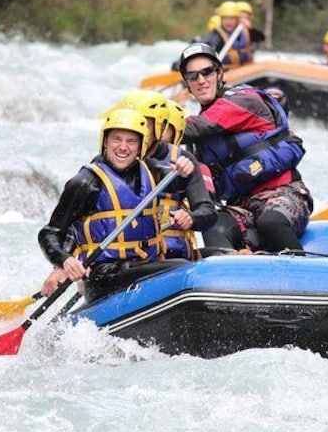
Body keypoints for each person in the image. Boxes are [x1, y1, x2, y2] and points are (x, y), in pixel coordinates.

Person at [38, 108, 195, 303]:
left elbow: (177, 180)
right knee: (182, 267)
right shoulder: (86, 182)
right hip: (104, 275)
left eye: (131, 141)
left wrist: (184, 167)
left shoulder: (150, 170)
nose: (123, 147)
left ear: (140, 146)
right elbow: (50, 233)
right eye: (117, 139)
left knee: (186, 264)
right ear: (105, 141)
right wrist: (65, 261)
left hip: (145, 265)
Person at [177, 42, 313, 253]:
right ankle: (227, 278)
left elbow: (200, 125)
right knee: (215, 224)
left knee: (271, 223)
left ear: (219, 73)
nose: (201, 81)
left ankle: (306, 275)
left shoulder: (242, 100)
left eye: (207, 72)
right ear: (187, 82)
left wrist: (156, 124)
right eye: (193, 76)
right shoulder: (197, 145)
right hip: (242, 207)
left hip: (284, 194)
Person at [119, 90, 218, 259]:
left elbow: (208, 212)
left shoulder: (184, 162)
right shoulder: (110, 161)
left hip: (171, 255)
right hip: (124, 258)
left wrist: (190, 218)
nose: (137, 130)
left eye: (143, 124)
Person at [198, 1, 253, 70]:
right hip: (226, 71)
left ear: (237, 19)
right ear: (221, 19)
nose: (228, 22)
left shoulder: (243, 31)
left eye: (232, 18)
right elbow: (204, 43)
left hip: (244, 69)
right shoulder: (216, 34)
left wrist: (251, 29)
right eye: (225, 18)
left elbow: (260, 38)